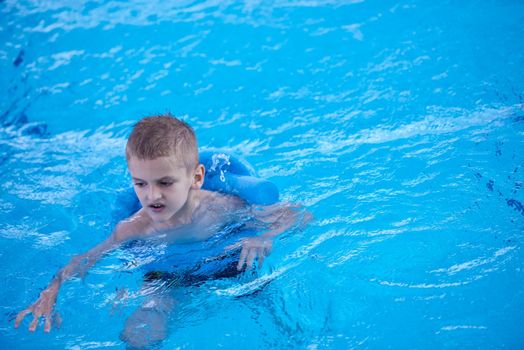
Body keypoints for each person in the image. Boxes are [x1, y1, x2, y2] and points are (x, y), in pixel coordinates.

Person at [15, 114, 309, 348]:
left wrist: (264, 236)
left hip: (230, 263)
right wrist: (52, 289)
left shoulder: (223, 207)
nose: (152, 196)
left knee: (268, 308)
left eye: (165, 183)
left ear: (196, 178)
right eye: (140, 183)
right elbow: (84, 260)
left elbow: (300, 215)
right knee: (144, 323)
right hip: (167, 276)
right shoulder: (135, 227)